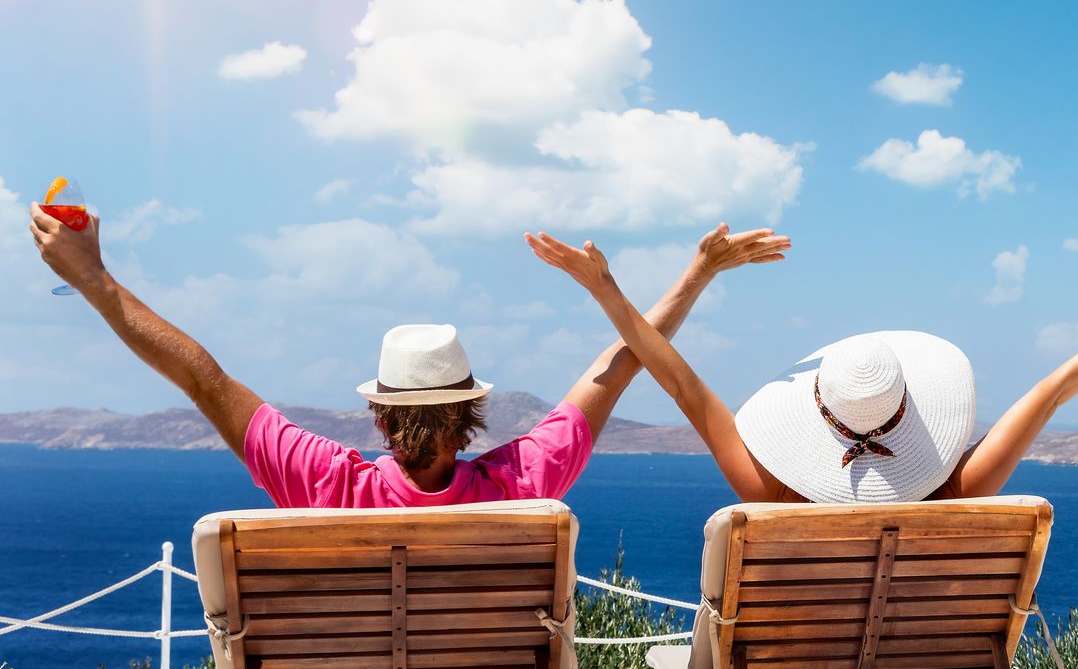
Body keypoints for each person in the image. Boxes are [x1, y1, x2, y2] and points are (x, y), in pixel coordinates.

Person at [29, 208, 789, 507]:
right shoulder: (519, 481)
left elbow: (202, 374)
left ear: (381, 413)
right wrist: (696, 273)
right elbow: (623, 363)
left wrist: (94, 278)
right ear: (471, 411)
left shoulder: (329, 482)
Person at [525, 230, 1078, 505]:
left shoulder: (768, 492)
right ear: (913, 410)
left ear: (817, 412)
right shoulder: (960, 492)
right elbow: (1055, 388)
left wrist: (608, 288)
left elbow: (674, 377)